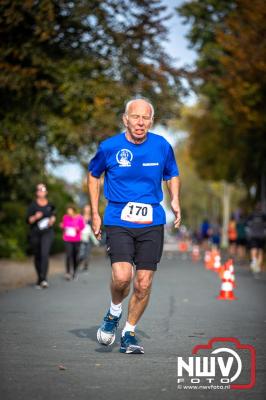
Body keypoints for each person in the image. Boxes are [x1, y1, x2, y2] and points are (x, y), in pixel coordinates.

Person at [88, 97, 181, 354]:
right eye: (135, 117)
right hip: (118, 218)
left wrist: (175, 200)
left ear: (151, 121)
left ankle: (128, 332)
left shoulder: (162, 146)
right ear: (125, 119)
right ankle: (114, 312)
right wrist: (95, 213)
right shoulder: (109, 147)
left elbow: (172, 173)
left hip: (151, 220)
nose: (140, 122)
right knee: (122, 277)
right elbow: (94, 175)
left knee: (143, 282)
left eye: (146, 118)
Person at [27, 183, 56, 288]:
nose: (41, 191)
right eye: (39, 189)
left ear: (46, 192)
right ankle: (39, 277)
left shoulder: (50, 205)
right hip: (35, 233)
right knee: (37, 255)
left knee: (44, 253)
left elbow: (53, 216)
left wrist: (52, 220)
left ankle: (44, 279)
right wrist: (35, 217)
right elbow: (28, 221)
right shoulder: (32, 205)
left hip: (47, 232)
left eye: (43, 189)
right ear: (36, 192)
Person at [60, 205, 85, 280]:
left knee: (75, 256)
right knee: (68, 255)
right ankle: (67, 272)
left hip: (76, 239)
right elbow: (64, 226)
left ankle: (74, 271)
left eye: (70, 212)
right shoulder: (65, 217)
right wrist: (62, 226)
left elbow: (82, 226)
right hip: (67, 239)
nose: (69, 214)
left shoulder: (79, 217)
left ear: (74, 211)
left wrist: (78, 228)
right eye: (68, 212)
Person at [246, 203, 266, 273]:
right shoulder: (264, 215)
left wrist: (249, 234)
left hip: (253, 235)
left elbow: (247, 226)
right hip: (262, 236)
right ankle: (258, 266)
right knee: (260, 251)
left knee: (253, 249)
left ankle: (254, 261)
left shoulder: (251, 215)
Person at [78, 204, 99, 271]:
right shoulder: (80, 216)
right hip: (81, 237)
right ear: (84, 209)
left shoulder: (92, 217)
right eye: (86, 208)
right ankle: (79, 261)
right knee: (81, 252)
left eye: (88, 208)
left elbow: (94, 227)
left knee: (87, 252)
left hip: (89, 237)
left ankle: (85, 265)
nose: (87, 209)